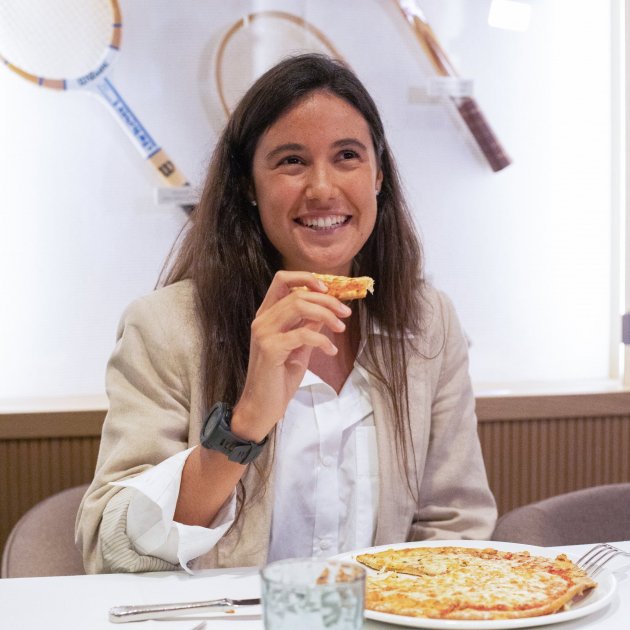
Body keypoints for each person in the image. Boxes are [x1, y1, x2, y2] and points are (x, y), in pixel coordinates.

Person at [76, 53, 497, 574]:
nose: (322, 188)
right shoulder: (165, 328)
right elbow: (112, 549)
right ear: (248, 186)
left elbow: (456, 522)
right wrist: (245, 423)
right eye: (292, 161)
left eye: (347, 156)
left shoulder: (428, 321)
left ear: (379, 175)